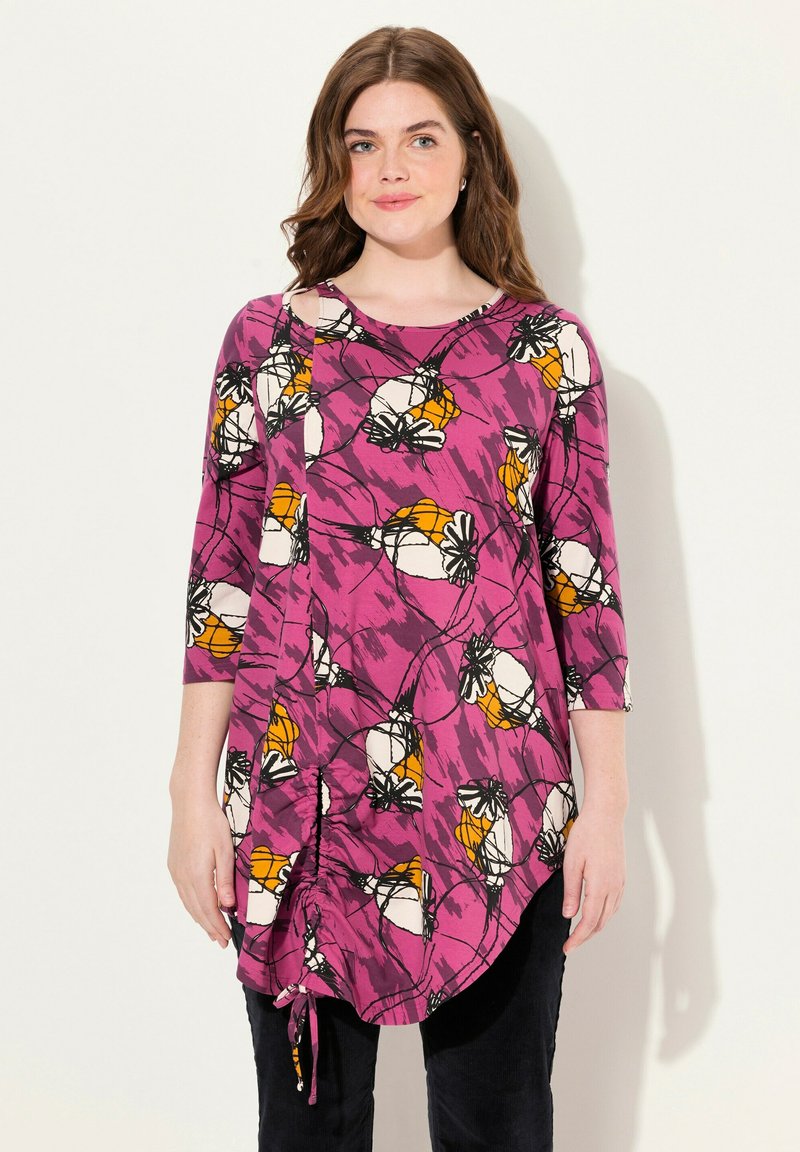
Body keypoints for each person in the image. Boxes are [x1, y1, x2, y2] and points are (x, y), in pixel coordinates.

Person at [167, 23, 632, 1152]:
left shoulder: (545, 351)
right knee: (306, 1134)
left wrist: (607, 809)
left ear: (470, 155)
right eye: (361, 142)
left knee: (497, 1129)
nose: (389, 168)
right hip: (300, 802)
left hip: (495, 804)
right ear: (333, 163)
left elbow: (583, 587)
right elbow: (222, 573)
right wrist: (190, 794)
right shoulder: (269, 342)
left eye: (421, 138)